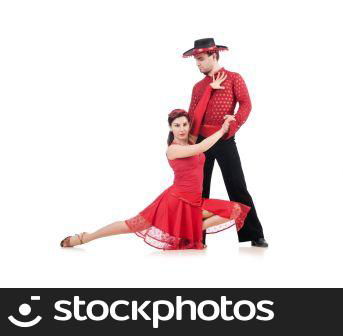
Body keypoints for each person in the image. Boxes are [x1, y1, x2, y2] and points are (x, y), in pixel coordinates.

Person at [60, 109, 248, 249]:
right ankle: (85, 237)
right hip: (174, 202)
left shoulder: (190, 138)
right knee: (130, 225)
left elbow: (197, 112)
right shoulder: (173, 149)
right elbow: (202, 148)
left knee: (235, 209)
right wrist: (223, 130)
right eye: (177, 125)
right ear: (170, 127)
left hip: (195, 202)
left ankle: (194, 230)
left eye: (184, 124)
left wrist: (210, 88)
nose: (181, 129)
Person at [183, 38, 268, 247]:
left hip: (224, 138)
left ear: (214, 55)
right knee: (199, 190)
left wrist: (234, 124)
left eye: (201, 59)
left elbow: (246, 104)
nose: (198, 64)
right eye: (196, 60)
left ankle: (254, 234)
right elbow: (192, 115)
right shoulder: (198, 87)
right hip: (201, 142)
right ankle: (195, 236)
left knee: (237, 186)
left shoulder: (233, 79)